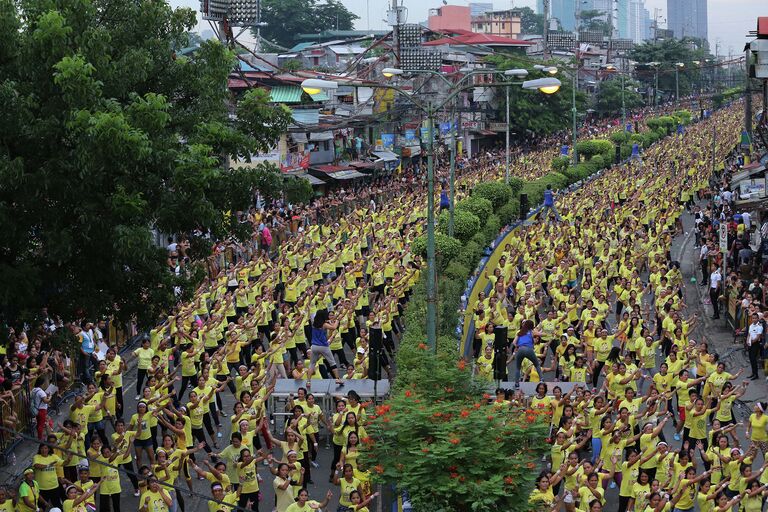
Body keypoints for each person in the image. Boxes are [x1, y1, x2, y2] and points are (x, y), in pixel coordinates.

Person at [510, 320, 544, 388]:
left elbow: (514, 342)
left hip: (520, 349)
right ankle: (541, 379)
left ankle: (517, 384)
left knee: (517, 367)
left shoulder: (520, 332)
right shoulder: (531, 332)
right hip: (529, 349)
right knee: (536, 364)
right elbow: (541, 334)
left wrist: (517, 346)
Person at [746, 313, 763, 380]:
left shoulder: (760, 326)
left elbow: (758, 337)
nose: (754, 319)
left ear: (758, 318)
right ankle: (753, 373)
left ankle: (756, 375)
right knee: (751, 359)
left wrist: (750, 342)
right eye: (753, 318)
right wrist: (747, 341)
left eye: (755, 318)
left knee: (754, 359)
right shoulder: (751, 326)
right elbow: (749, 334)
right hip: (750, 344)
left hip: (755, 344)